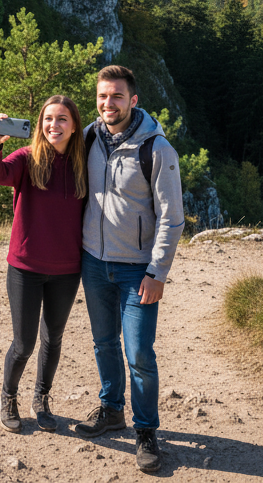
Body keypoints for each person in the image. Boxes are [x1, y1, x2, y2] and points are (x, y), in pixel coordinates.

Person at [76, 65, 184, 472]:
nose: (109, 104)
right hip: (93, 261)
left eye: (117, 97)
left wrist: (157, 273)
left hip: (137, 270)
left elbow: (173, 218)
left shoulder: (156, 148)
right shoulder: (87, 137)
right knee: (104, 343)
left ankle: (145, 430)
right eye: (103, 96)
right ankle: (110, 409)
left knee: (138, 352)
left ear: (133, 100)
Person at [0, 96, 88, 433]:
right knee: (24, 342)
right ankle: (8, 396)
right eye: (47, 119)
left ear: (74, 126)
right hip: (25, 267)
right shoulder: (28, 159)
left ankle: (41, 398)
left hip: (67, 269)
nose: (53, 126)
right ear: (40, 125)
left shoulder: (83, 164)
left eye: (62, 119)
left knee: (53, 338)